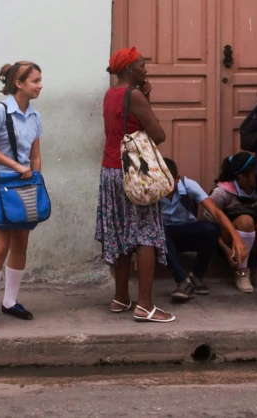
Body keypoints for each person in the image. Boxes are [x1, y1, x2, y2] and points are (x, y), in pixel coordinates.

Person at [95, 47, 175, 323]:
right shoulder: (135, 95)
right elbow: (158, 134)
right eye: (142, 65)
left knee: (119, 233)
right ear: (129, 69)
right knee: (146, 236)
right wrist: (146, 99)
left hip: (110, 170)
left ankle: (120, 298)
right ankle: (145, 305)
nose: (146, 69)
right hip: (135, 174)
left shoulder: (111, 93)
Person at [0, 61, 44, 331]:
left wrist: (36, 180)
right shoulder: (0, 110)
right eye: (35, 81)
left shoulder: (35, 116)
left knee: (20, 245)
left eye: (40, 80)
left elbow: (36, 155)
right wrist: (17, 166)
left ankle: (10, 301)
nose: (40, 85)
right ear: (19, 83)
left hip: (24, 185)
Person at [160, 158, 248, 301]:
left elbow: (215, 212)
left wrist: (236, 237)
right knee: (160, 233)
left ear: (177, 179)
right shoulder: (151, 190)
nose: (163, 187)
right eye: (160, 181)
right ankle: (183, 281)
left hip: (187, 232)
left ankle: (196, 275)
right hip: (163, 237)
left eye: (167, 181)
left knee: (211, 229)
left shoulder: (188, 185)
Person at [203, 153, 257, 294]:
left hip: (255, 239)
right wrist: (225, 248)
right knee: (245, 220)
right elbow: (207, 225)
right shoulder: (222, 192)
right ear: (242, 177)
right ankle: (242, 272)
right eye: (255, 174)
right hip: (229, 241)